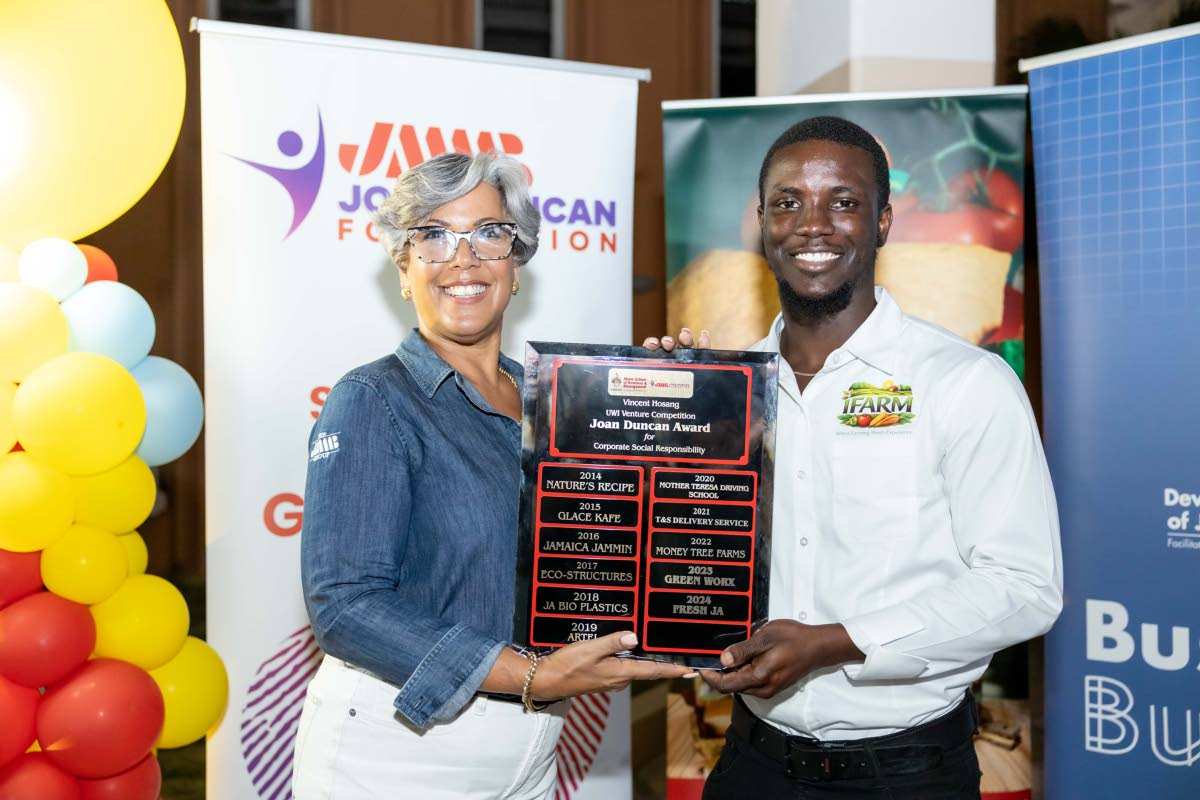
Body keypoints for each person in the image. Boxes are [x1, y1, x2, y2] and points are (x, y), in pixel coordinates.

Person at [646, 116, 1063, 799]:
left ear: (884, 221)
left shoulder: (963, 381)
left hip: (907, 773)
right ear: (762, 222)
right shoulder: (725, 392)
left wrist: (836, 642)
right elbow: (679, 551)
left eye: (843, 201)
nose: (813, 225)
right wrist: (653, 430)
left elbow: (1025, 587)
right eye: (788, 202)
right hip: (752, 762)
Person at [294, 152, 690, 800]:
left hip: (532, 750)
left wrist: (676, 402)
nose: (462, 258)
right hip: (398, 756)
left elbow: (620, 536)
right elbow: (345, 606)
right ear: (403, 269)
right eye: (433, 235)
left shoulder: (558, 402)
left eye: (488, 233)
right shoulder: (373, 399)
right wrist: (529, 676)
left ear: (516, 262)